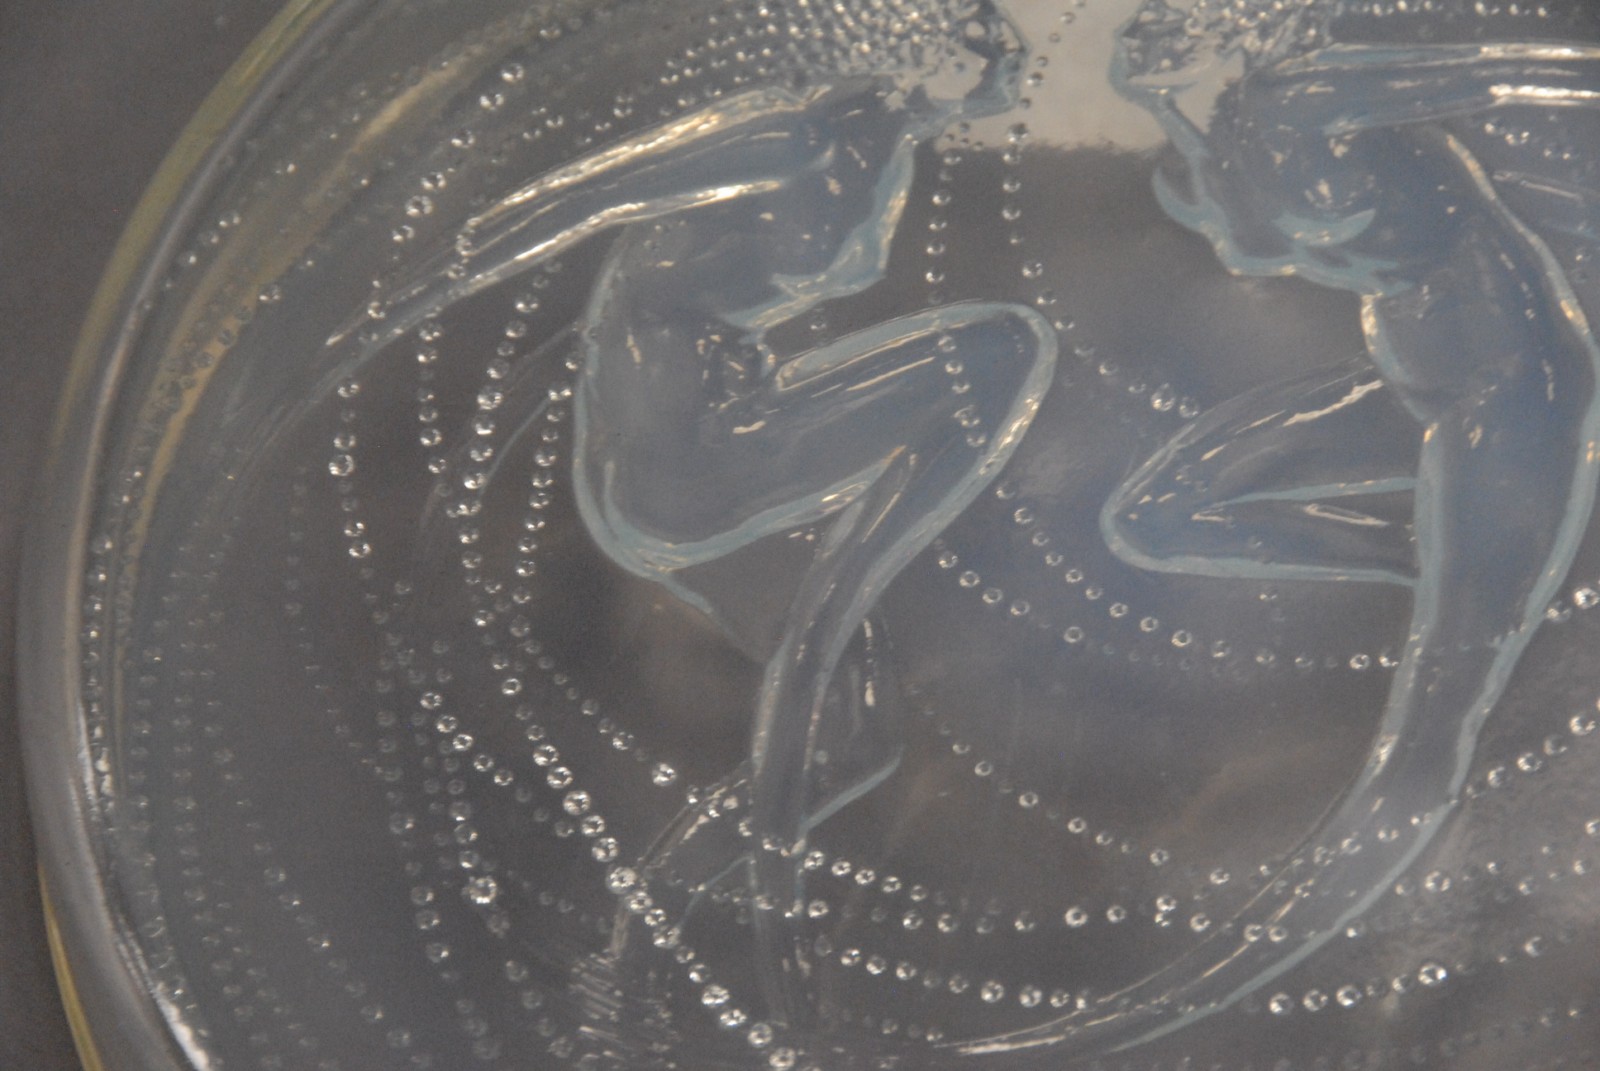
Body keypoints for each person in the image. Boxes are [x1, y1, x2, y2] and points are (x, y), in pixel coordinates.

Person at [335, 0, 1056, 1032]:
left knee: (855, 736)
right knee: (992, 354)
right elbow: (573, 198)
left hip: (727, 454)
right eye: (981, 38)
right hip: (684, 444)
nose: (1005, 57)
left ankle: (638, 947)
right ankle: (838, 598)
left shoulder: (883, 151)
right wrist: (366, 325)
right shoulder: (788, 132)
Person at [932, 1, 1600, 1062]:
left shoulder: (1317, 89)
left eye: (1165, 33)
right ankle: (1454, 573)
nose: (1145, 44)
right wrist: (1166, 112)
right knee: (1155, 514)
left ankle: (1191, 993)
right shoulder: (1211, 151)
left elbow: (1510, 66)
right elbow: (1249, 238)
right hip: (1412, 374)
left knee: (1429, 735)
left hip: (1512, 382)